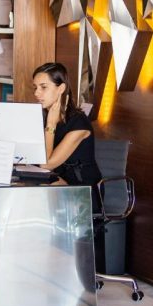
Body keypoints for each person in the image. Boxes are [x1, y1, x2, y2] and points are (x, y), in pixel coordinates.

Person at [32, 62, 103, 208]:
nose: (36, 93)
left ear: (61, 88)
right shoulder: (42, 117)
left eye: (43, 87)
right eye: (35, 87)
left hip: (83, 193)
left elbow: (46, 164)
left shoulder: (79, 123)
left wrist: (51, 125)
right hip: (56, 185)